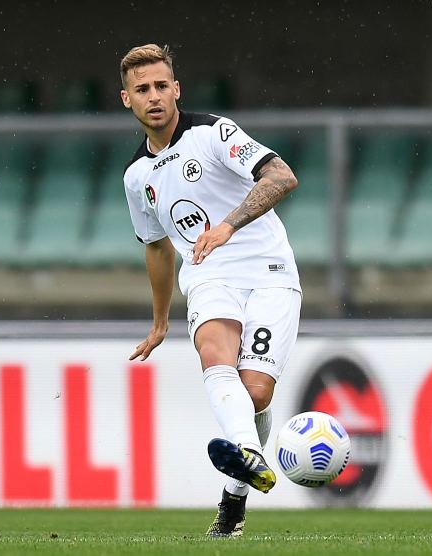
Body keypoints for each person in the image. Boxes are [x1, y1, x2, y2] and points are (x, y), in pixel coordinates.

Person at [120, 44, 302, 537]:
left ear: (176, 89)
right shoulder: (137, 176)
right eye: (143, 90)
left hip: (268, 270)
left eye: (161, 86)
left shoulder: (213, 132)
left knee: (256, 392)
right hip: (207, 276)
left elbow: (282, 176)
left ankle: (235, 497)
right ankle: (248, 453)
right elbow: (157, 247)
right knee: (214, 353)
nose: (154, 97)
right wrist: (160, 321)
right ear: (127, 100)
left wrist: (227, 224)